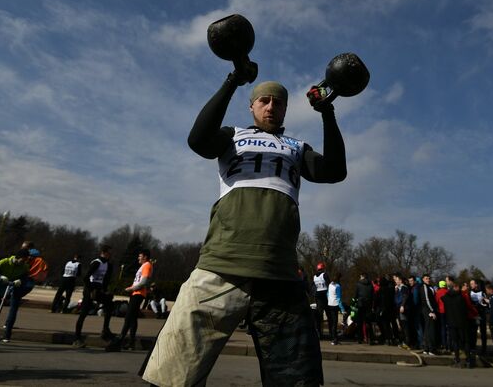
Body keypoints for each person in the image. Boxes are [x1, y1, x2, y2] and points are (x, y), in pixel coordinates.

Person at [141, 74, 348, 387]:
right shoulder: (231, 135)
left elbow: (335, 171)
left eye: (278, 102)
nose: (271, 107)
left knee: (299, 380)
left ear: (285, 110)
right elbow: (198, 140)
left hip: (280, 275)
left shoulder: (295, 147)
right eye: (264, 100)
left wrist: (327, 113)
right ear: (252, 106)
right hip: (221, 265)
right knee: (170, 376)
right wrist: (232, 81)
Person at [106, 248, 153, 351]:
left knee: (128, 317)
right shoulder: (143, 266)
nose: (138, 258)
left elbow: (144, 282)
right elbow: (138, 281)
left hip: (138, 294)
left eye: (140, 256)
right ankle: (131, 343)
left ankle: (120, 340)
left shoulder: (147, 265)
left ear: (145, 257)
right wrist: (130, 288)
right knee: (132, 318)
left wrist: (132, 288)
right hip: (135, 293)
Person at [3, 242, 49, 342]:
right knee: (14, 303)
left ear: (28, 248)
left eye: (23, 247)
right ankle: (7, 328)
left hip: (20, 282)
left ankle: (6, 332)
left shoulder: (24, 257)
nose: (21, 249)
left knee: (13, 306)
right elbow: (43, 273)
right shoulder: (39, 259)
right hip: (29, 284)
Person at [73, 245, 116, 348]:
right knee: (84, 312)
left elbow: (105, 280)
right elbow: (86, 277)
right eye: (109, 253)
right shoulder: (96, 263)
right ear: (103, 253)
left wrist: (106, 291)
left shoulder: (108, 265)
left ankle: (105, 330)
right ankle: (77, 338)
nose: (110, 255)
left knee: (110, 305)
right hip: (90, 289)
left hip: (99, 289)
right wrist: (90, 290)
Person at [353, 272, 376, 345]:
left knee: (360, 323)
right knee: (368, 322)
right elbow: (373, 295)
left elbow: (355, 295)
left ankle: (360, 339)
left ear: (362, 277)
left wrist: (355, 301)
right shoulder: (371, 285)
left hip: (360, 305)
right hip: (368, 305)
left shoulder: (358, 284)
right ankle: (371, 339)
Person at [419, 274, 438, 355]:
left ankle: (426, 348)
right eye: (426, 278)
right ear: (423, 279)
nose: (428, 280)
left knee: (427, 329)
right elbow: (426, 300)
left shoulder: (429, 287)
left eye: (429, 278)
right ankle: (431, 349)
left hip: (428, 309)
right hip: (428, 310)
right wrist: (432, 311)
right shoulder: (424, 287)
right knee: (430, 329)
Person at [468, 279, 488, 356]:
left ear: (476, 284)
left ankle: (484, 348)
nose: (471, 285)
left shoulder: (482, 292)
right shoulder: (470, 292)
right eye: (470, 284)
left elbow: (486, 303)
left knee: (483, 332)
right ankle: (473, 347)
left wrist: (482, 304)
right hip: (474, 315)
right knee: (473, 332)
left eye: (472, 283)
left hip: (481, 314)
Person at [312, 262, 330, 339]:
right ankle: (331, 334)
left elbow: (313, 287)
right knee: (329, 315)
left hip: (318, 296)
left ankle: (319, 333)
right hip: (325, 296)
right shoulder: (324, 275)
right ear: (323, 268)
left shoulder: (314, 277)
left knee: (319, 316)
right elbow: (329, 284)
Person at [326, 273, 346, 345]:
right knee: (334, 323)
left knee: (332, 322)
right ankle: (334, 339)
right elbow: (339, 299)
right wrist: (342, 309)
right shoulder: (338, 286)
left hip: (330, 304)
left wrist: (329, 299)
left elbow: (327, 294)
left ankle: (334, 338)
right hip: (335, 305)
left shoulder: (330, 285)